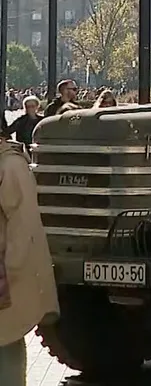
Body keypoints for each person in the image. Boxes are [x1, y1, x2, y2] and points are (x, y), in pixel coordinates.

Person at [0, 137, 60, 383]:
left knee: (6, 348)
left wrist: (11, 279)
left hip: (5, 283)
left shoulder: (9, 165)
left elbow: (25, 230)